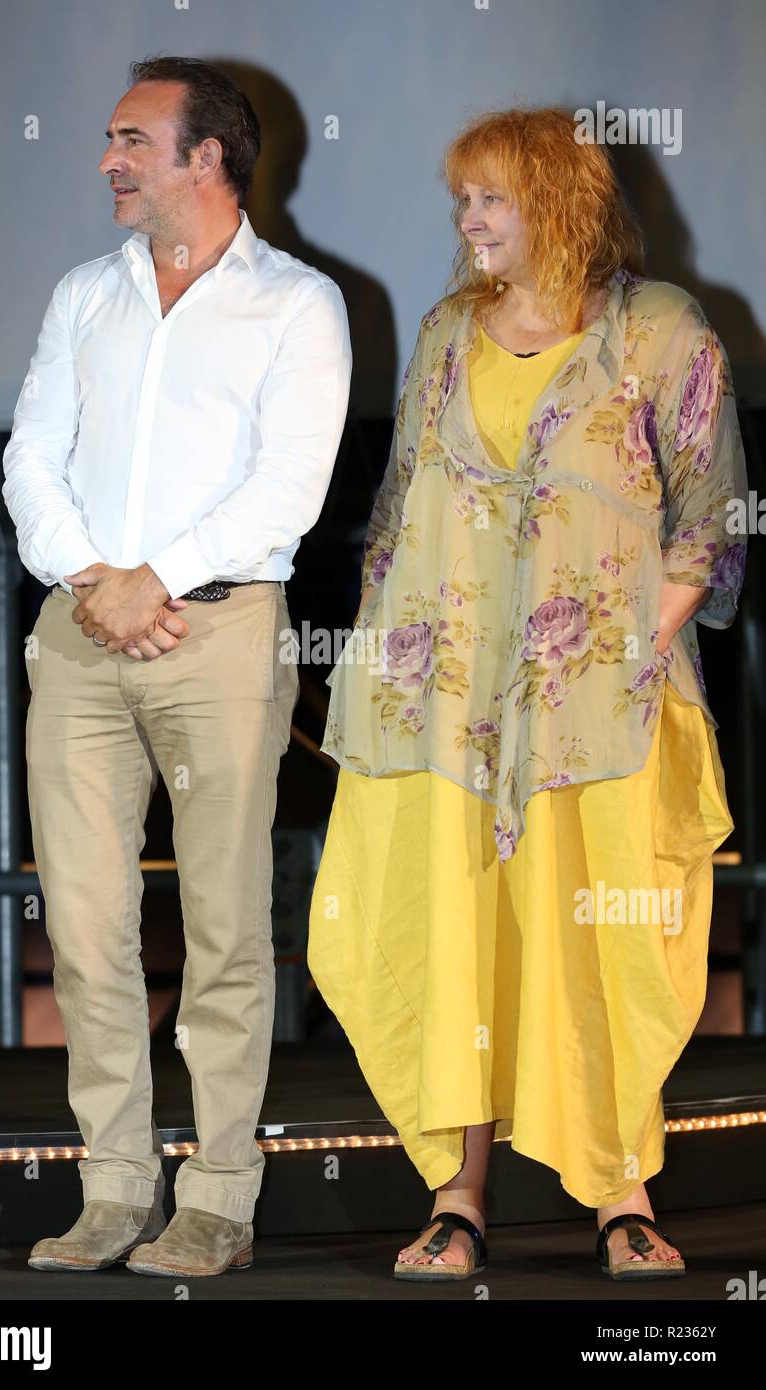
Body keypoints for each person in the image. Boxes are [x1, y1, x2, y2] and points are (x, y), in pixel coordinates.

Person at [308, 106, 747, 1283]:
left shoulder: (660, 331)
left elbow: (707, 520)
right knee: (454, 939)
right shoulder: (448, 332)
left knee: (596, 944)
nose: (466, 219)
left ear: (558, 196)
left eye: (489, 196)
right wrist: (372, 676)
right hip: (450, 713)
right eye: (462, 199)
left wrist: (628, 660)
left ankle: (621, 1196)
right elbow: (400, 511)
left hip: (597, 718)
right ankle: (457, 1200)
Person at [2, 55, 351, 1278]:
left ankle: (215, 1195)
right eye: (107, 137)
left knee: (221, 928)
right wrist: (99, 583)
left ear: (206, 157)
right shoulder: (82, 295)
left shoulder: (298, 303)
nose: (107, 159)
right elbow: (29, 460)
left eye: (131, 140)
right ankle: (112, 1188)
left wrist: (157, 578)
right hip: (81, 634)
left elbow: (289, 486)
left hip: (218, 635)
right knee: (89, 929)